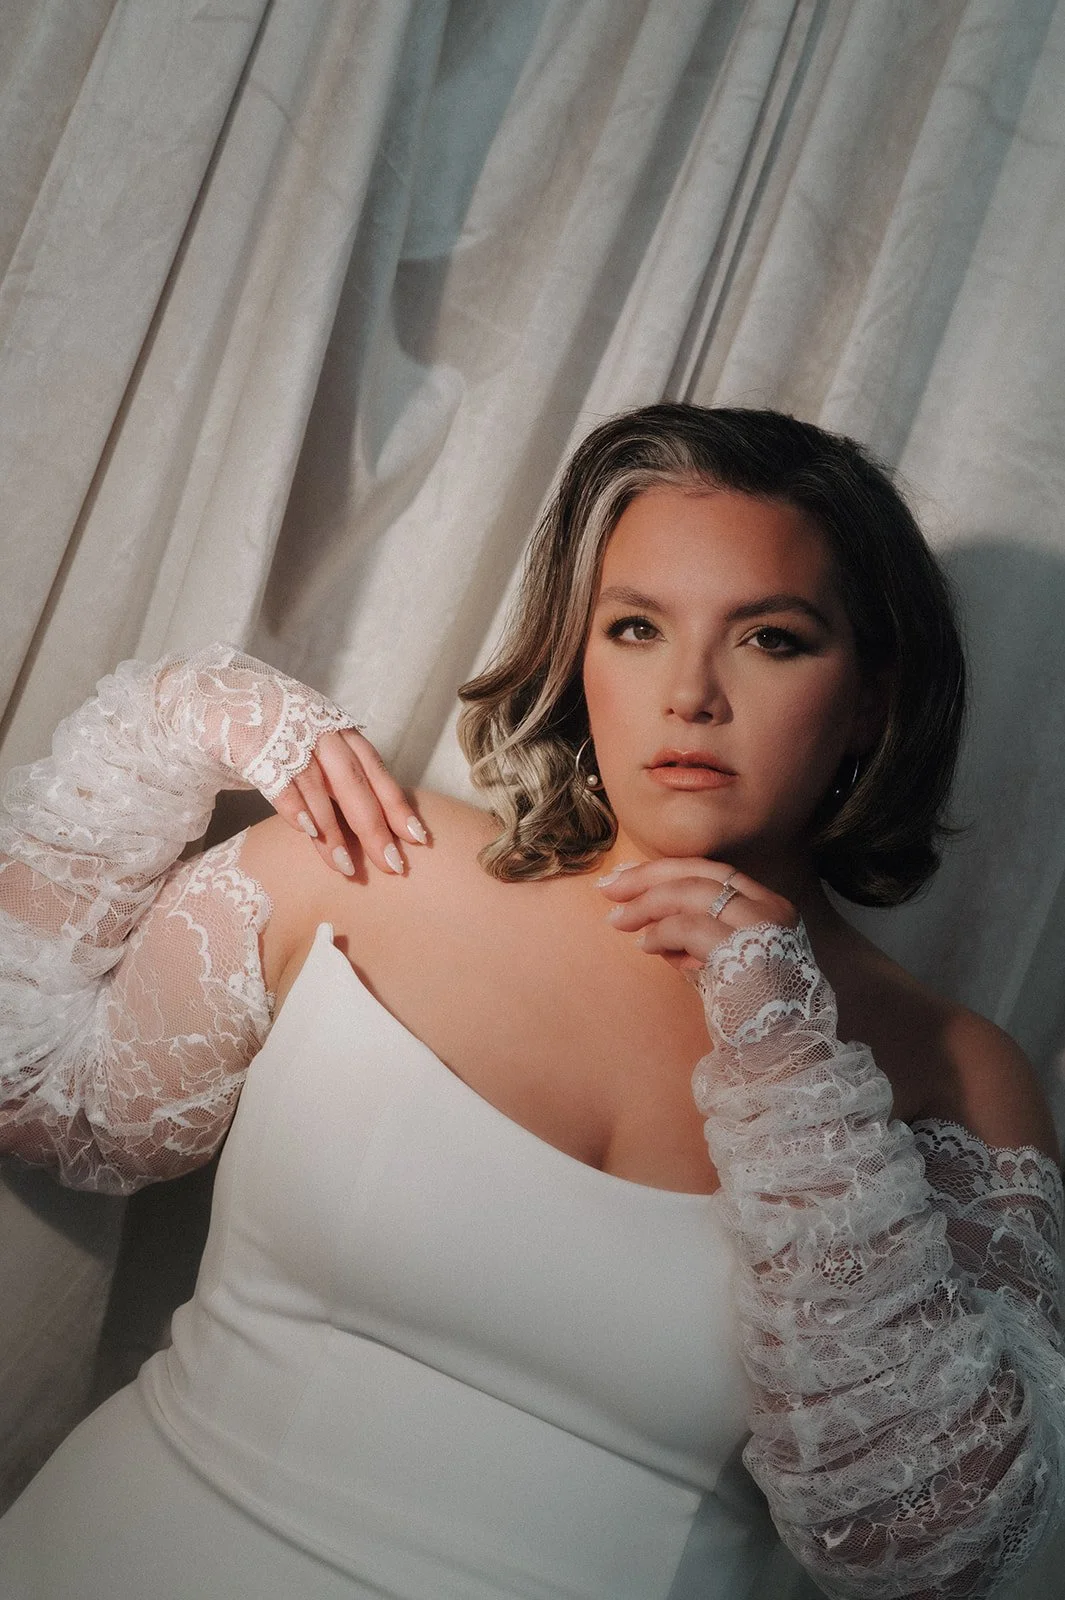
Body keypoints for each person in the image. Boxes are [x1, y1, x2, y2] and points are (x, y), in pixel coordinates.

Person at [0, 403, 1061, 1599]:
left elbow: (937, 1560)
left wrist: (793, 1066)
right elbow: (42, 1099)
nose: (690, 694)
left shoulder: (954, 1071)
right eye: (637, 627)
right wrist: (173, 718)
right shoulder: (367, 867)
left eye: (771, 638)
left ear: (869, 696)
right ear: (578, 653)